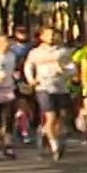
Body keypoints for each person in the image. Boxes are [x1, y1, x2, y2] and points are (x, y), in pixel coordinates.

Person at [24, 27, 71, 161]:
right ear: (42, 37)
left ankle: (46, 131)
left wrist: (64, 70)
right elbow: (28, 66)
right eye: (49, 35)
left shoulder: (62, 51)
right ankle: (55, 146)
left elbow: (71, 68)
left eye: (54, 34)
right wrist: (31, 80)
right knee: (51, 116)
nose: (51, 37)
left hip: (61, 87)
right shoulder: (35, 53)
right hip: (44, 87)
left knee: (62, 117)